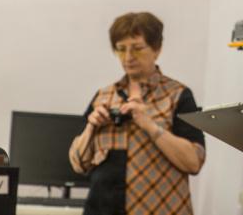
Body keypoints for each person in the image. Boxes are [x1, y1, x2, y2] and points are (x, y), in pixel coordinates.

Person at [69, 12, 205, 215]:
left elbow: (193, 162)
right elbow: (78, 164)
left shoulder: (177, 96)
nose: (128, 57)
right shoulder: (103, 96)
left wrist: (149, 125)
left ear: (157, 49)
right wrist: (91, 127)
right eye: (121, 49)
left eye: (137, 48)